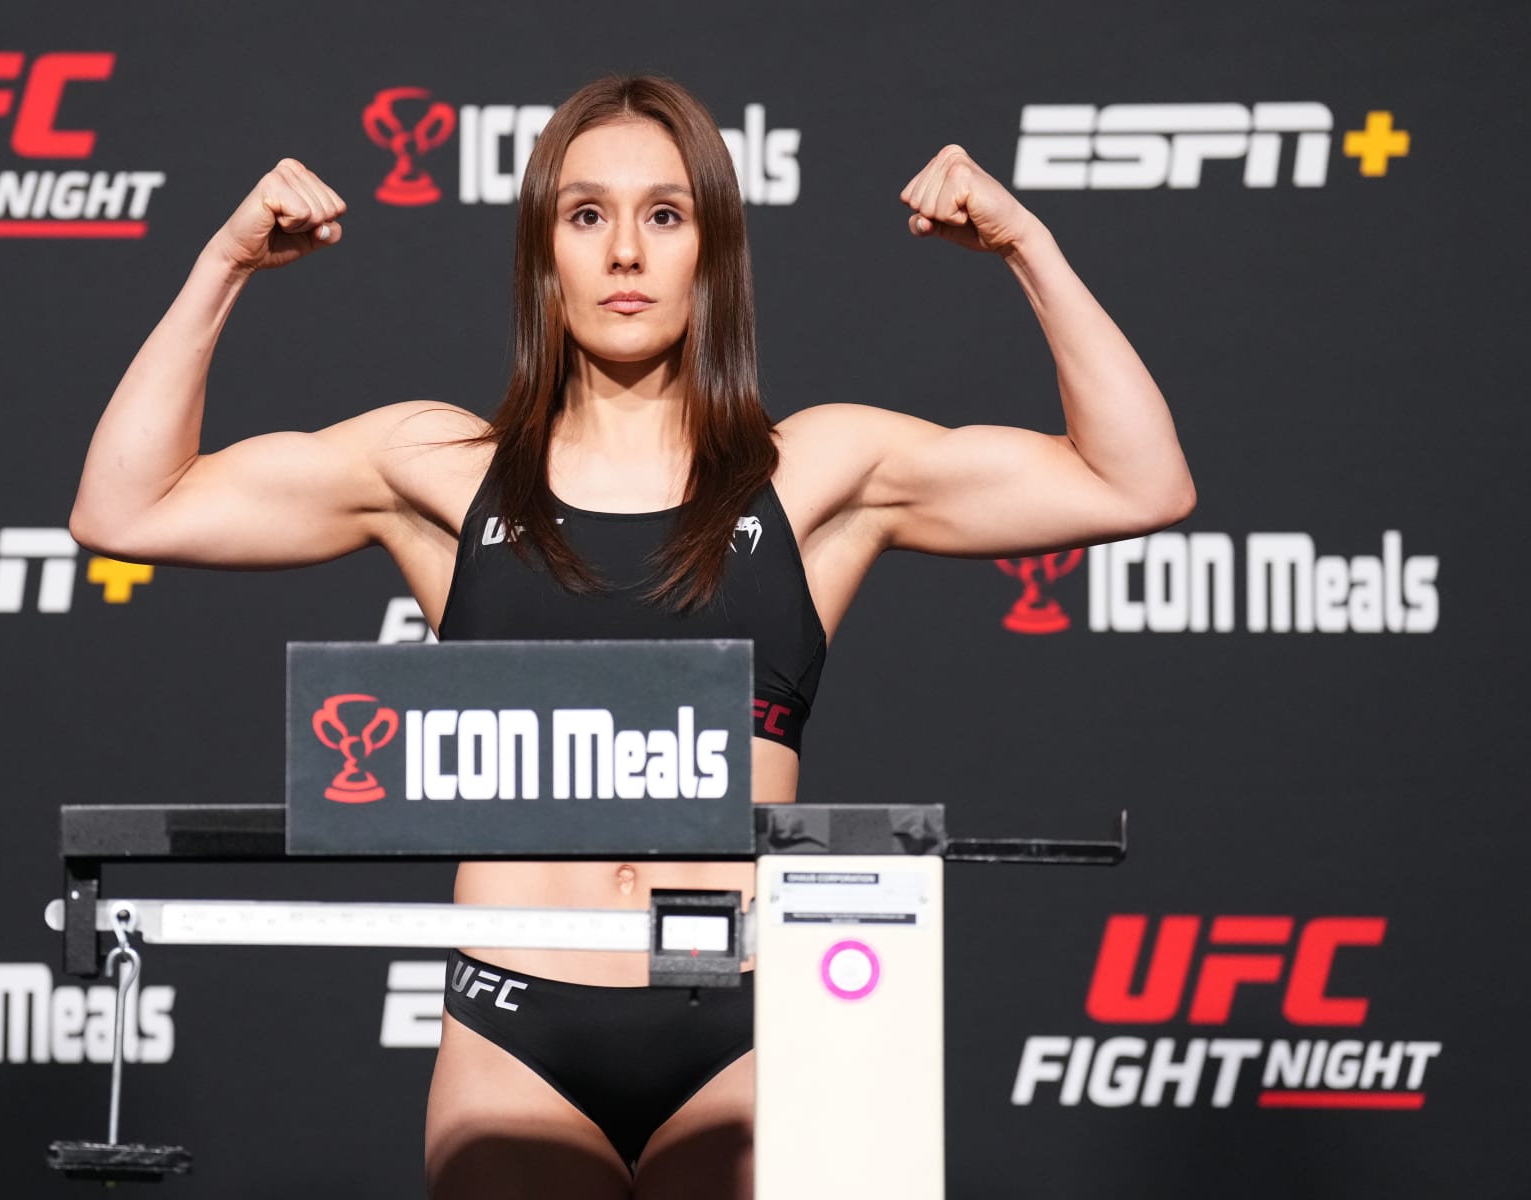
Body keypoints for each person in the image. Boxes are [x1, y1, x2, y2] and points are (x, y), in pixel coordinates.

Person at [70, 74, 1193, 1200]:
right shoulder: (439, 472)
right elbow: (125, 510)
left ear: (711, 254)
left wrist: (1029, 247)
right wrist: (222, 267)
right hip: (517, 1033)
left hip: (747, 1029)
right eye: (586, 215)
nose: (624, 254)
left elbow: (1137, 482)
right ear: (542, 256)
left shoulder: (813, 476)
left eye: (665, 215)